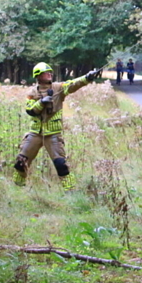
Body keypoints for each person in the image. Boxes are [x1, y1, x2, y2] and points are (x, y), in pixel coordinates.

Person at [14, 62, 101, 190]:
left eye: (50, 72)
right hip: (35, 133)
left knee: (61, 164)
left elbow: (73, 84)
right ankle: (18, 187)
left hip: (53, 134)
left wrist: (87, 77)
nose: (50, 74)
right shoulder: (32, 92)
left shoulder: (58, 88)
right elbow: (30, 111)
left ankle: (70, 190)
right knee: (21, 162)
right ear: (38, 76)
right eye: (46, 72)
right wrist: (41, 102)